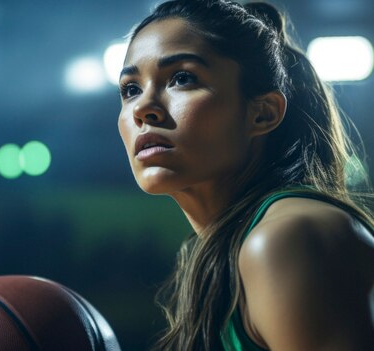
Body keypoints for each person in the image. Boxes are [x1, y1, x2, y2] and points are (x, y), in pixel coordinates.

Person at [116, 0, 374, 350]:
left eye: (182, 78)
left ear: (263, 113)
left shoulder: (288, 236)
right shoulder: (230, 250)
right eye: (131, 89)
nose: (143, 108)